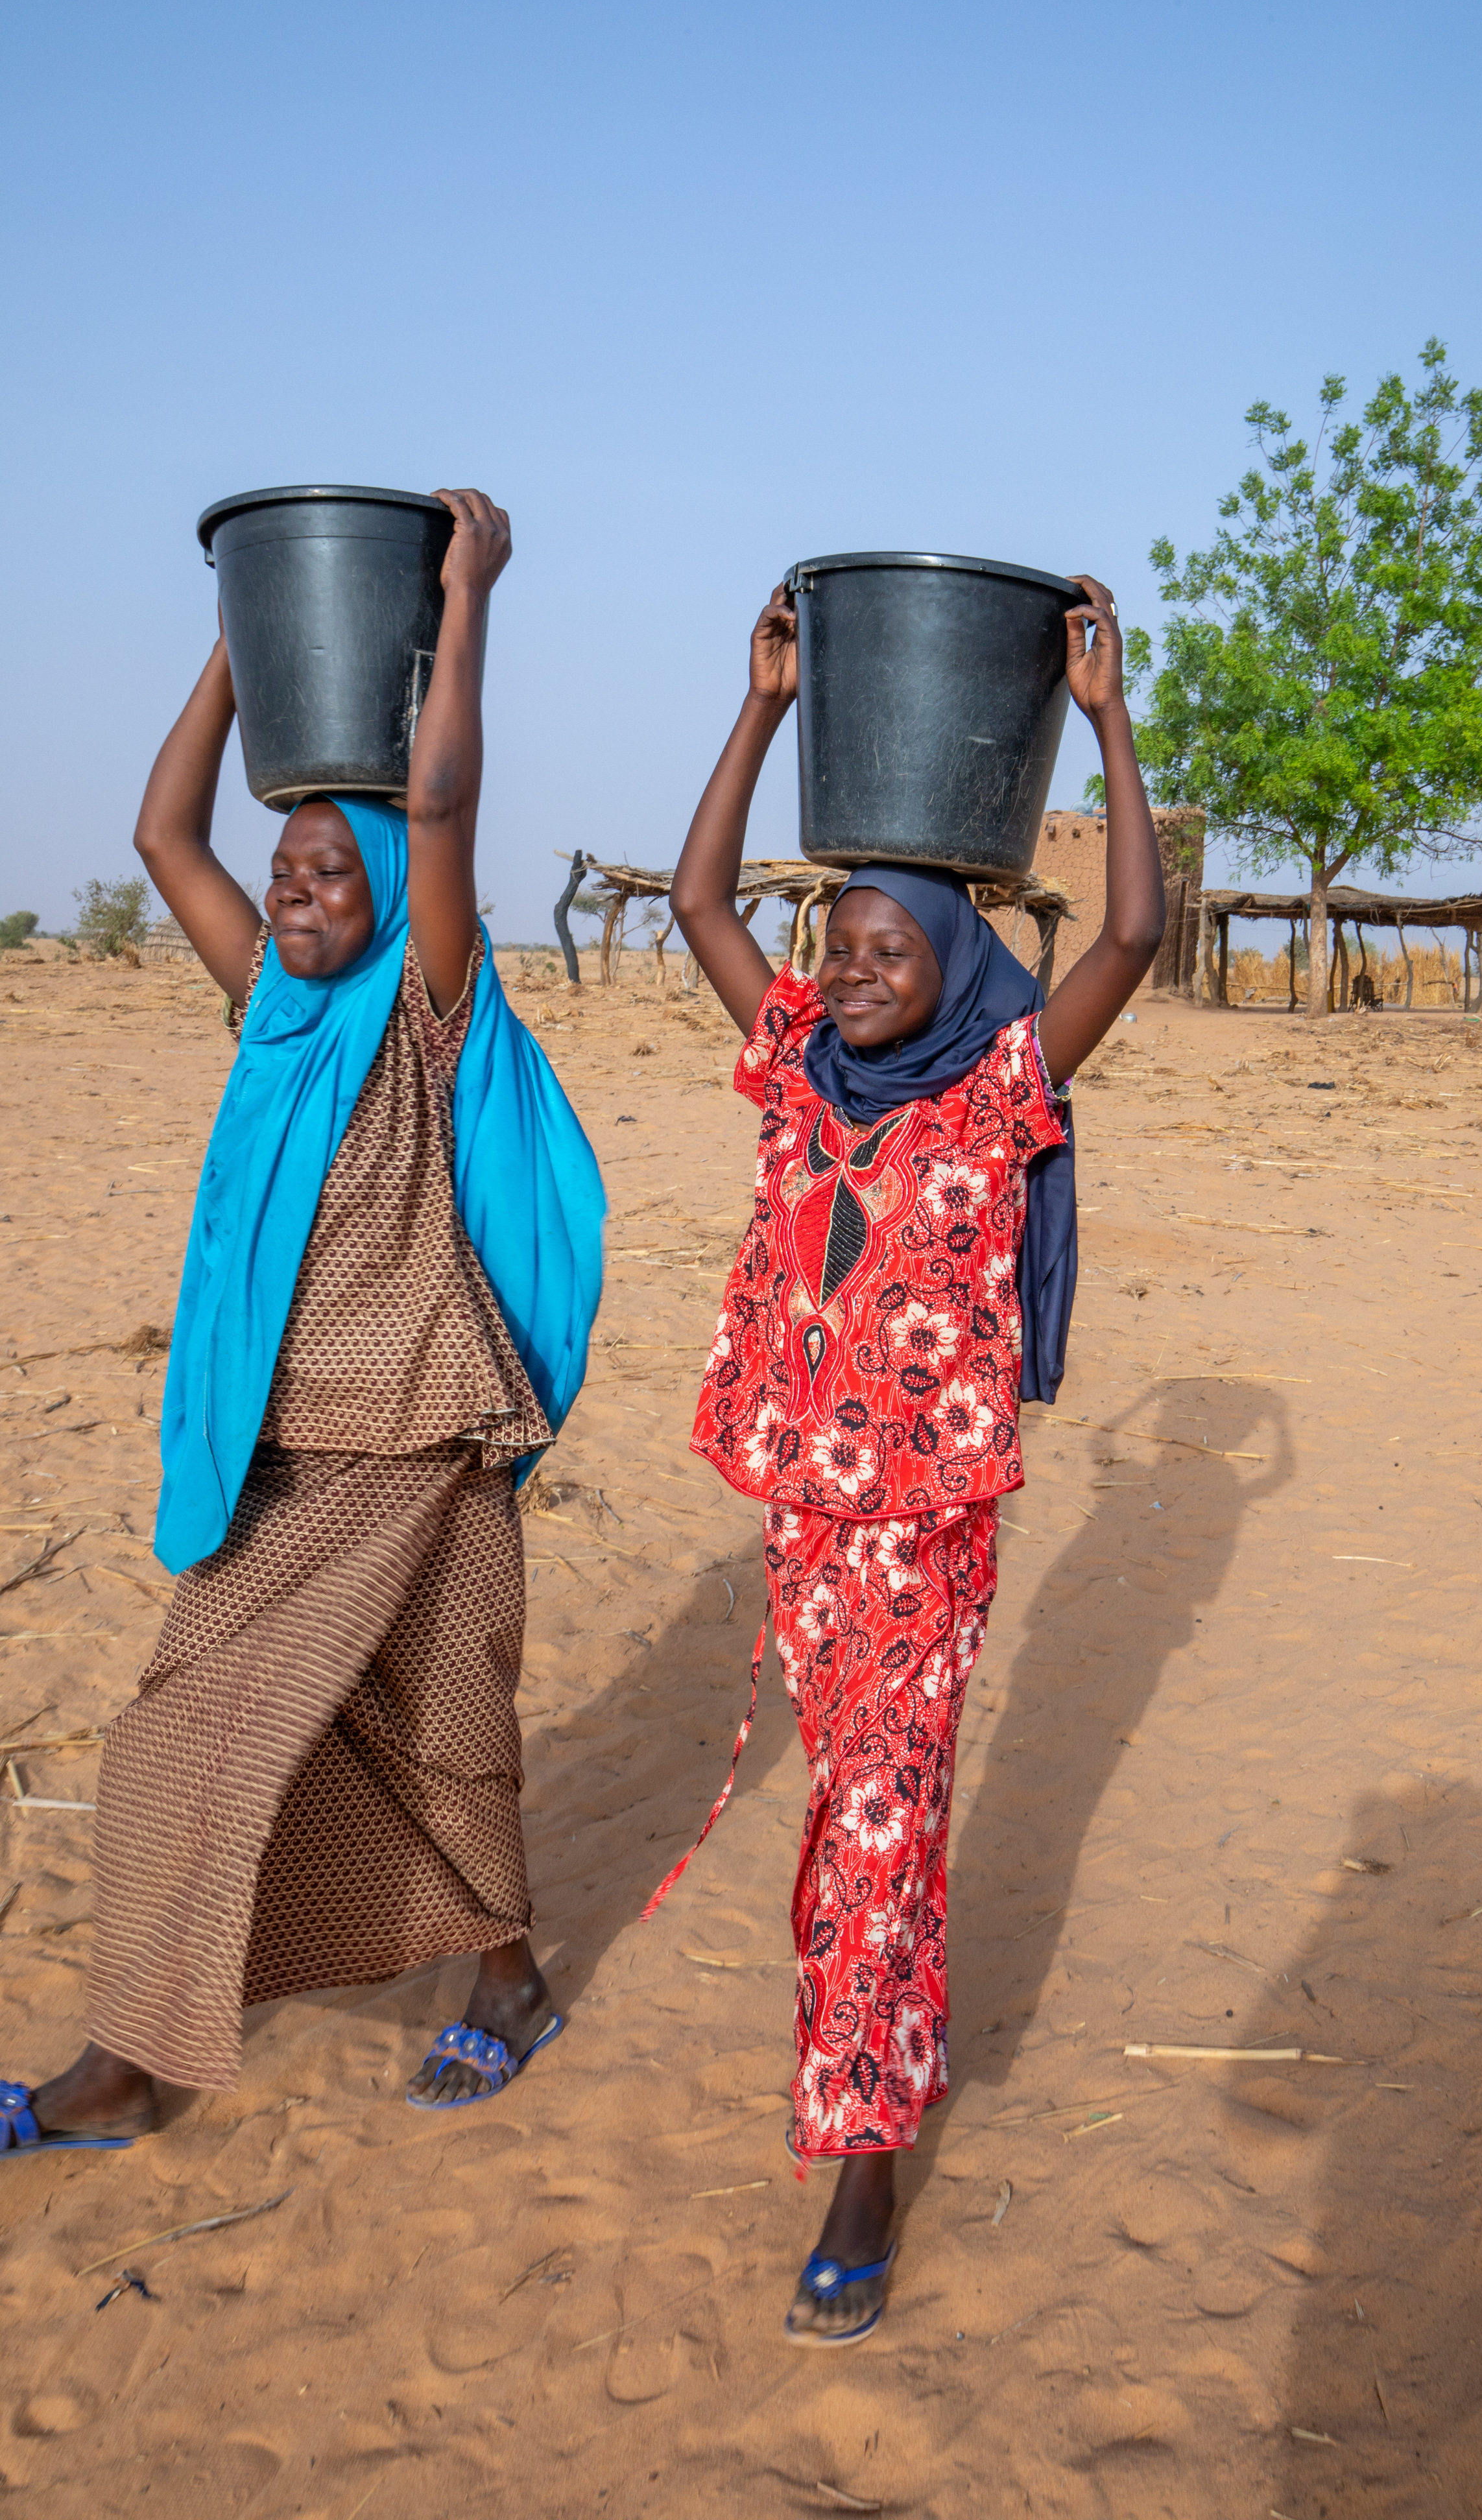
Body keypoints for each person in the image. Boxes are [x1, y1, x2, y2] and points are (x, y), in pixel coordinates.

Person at [0, 490, 605, 2157]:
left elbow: (443, 793)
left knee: (441, 1746)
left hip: (418, 1451)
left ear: (393, 891)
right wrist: (246, 655)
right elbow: (159, 839)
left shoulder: (422, 1010)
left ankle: (504, 1987)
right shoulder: (274, 1015)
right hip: (279, 1465)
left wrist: (463, 598)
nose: (296, 891)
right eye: (289, 870)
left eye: (332, 871)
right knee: (175, 1740)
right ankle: (136, 2057)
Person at [659, 573, 1162, 2341]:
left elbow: (1124, 950)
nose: (854, 973)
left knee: (873, 1827)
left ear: (950, 967)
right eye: (842, 948)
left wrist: (1103, 721)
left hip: (924, 1537)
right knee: (853, 1824)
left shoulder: (994, 1089)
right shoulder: (797, 1072)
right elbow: (704, 899)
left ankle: (863, 2153)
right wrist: (767, 707)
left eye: (890, 951)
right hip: (805, 1528)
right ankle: (883, 2061)